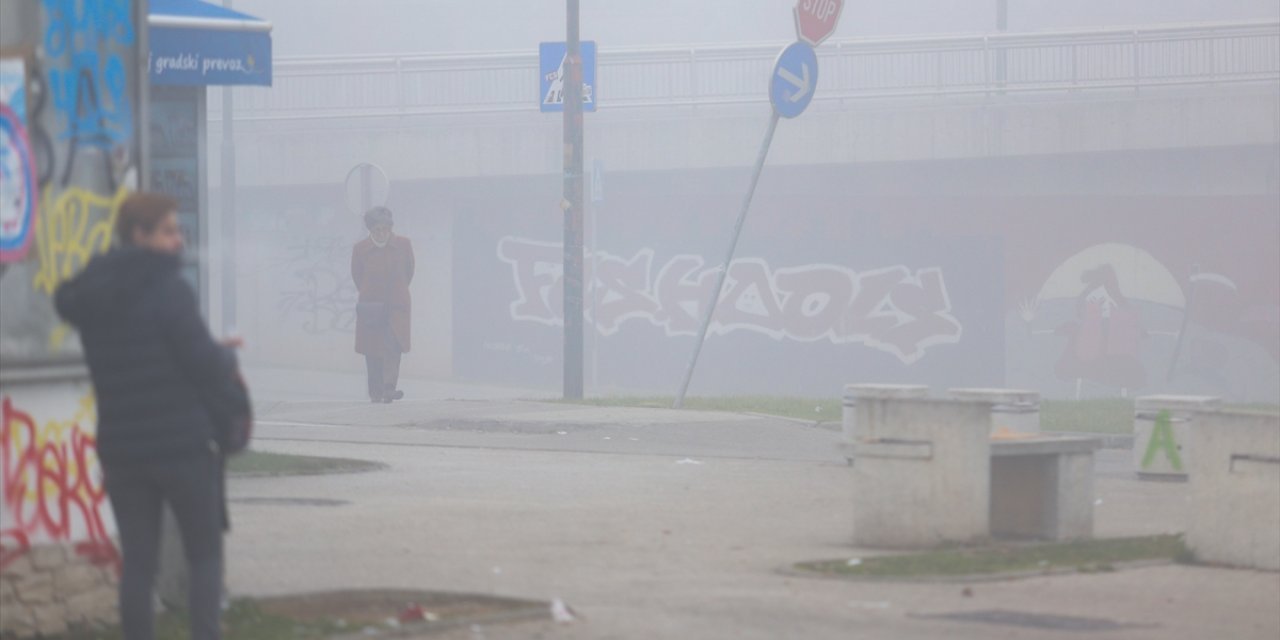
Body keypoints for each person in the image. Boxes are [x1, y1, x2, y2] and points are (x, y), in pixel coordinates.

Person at [55, 192, 237, 640]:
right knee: (204, 554)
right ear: (140, 234)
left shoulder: (93, 292)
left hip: (122, 451)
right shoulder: (169, 290)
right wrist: (226, 358)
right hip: (181, 448)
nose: (178, 240)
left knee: (138, 564)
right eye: (169, 230)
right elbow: (201, 363)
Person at [351, 206, 415, 403]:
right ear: (370, 230)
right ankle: (376, 392)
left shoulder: (403, 245)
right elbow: (357, 276)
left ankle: (389, 388)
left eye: (384, 229)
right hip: (372, 307)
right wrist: (370, 293)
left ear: (390, 228)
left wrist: (398, 291)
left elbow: (409, 271)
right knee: (373, 350)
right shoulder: (360, 249)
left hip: (396, 305)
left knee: (393, 344)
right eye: (376, 230)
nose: (381, 234)